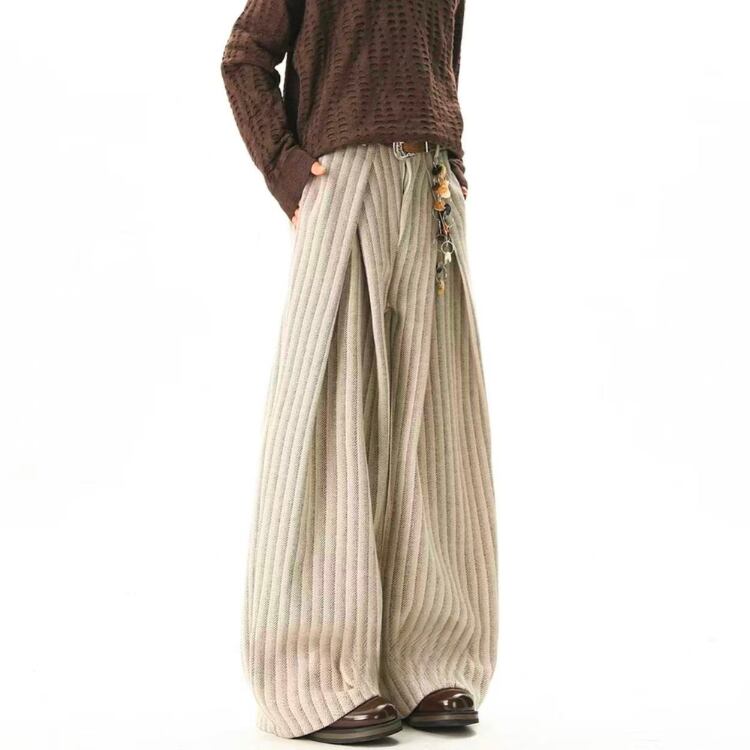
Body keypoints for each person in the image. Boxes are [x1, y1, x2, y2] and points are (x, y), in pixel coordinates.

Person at [220, 0, 498, 743]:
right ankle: (314, 672)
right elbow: (245, 56)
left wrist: (454, 161)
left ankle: (428, 659)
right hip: (342, 181)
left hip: (431, 189)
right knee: (329, 414)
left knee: (434, 424)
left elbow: (441, 65)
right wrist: (285, 168)